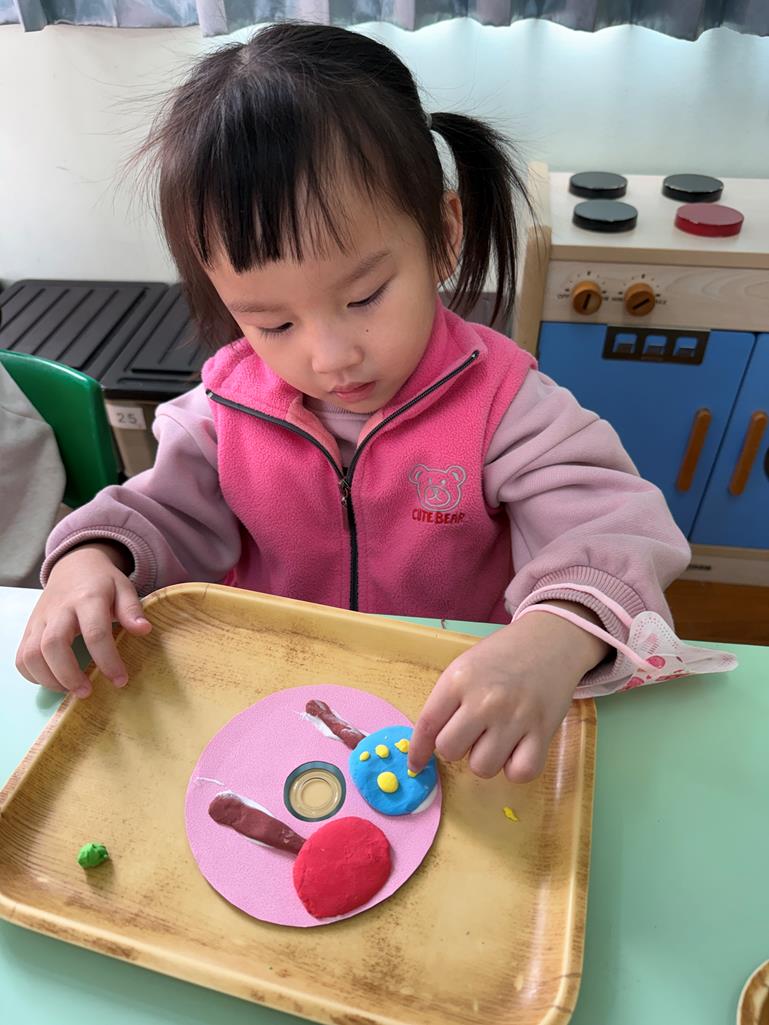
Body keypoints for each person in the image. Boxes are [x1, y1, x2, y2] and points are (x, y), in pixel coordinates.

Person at [15, 22, 690, 784]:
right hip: (280, 704)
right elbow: (158, 515)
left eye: (364, 296)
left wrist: (555, 635)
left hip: (451, 716)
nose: (329, 356)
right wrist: (91, 559)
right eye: (273, 323)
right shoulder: (224, 412)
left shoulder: (505, 406)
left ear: (442, 234)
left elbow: (610, 531)